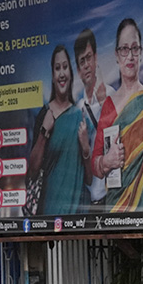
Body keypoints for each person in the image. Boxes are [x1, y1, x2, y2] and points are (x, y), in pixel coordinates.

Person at [91, 18, 143, 211]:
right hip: (116, 208)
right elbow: (95, 165)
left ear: (141, 53)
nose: (130, 56)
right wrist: (107, 161)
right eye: (124, 49)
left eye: (135, 48)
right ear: (116, 55)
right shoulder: (109, 105)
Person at [28, 45, 92, 215]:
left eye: (65, 67)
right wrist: (44, 132)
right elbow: (33, 170)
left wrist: (86, 148)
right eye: (57, 68)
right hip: (50, 214)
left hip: (78, 219)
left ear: (70, 73)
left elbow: (89, 179)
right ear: (53, 76)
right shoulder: (45, 113)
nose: (62, 73)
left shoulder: (81, 116)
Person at [73, 29, 115, 209]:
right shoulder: (77, 110)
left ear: (96, 58)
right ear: (78, 69)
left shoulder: (113, 95)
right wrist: (84, 149)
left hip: (112, 198)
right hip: (88, 203)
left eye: (89, 58)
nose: (86, 65)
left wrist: (104, 104)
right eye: (82, 61)